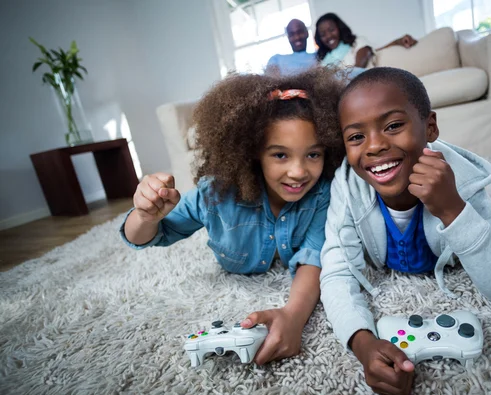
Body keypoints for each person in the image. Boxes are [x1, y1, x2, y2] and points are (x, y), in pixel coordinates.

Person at [319, 67, 491, 395]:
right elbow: (335, 273)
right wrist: (362, 342)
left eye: (393, 126)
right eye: (356, 137)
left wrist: (452, 208)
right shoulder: (348, 186)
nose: (374, 146)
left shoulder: (459, 182)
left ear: (430, 127)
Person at [120, 67, 345, 365]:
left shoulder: (324, 193)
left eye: (313, 155)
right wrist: (145, 214)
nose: (299, 171)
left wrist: (293, 315)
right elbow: (149, 236)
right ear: (252, 152)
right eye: (280, 155)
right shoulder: (215, 196)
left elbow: (315, 257)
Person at [315, 13, 418, 70]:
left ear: (339, 28)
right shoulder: (322, 61)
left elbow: (361, 65)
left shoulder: (356, 43)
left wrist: (397, 42)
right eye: (323, 34)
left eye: (331, 30)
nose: (328, 36)